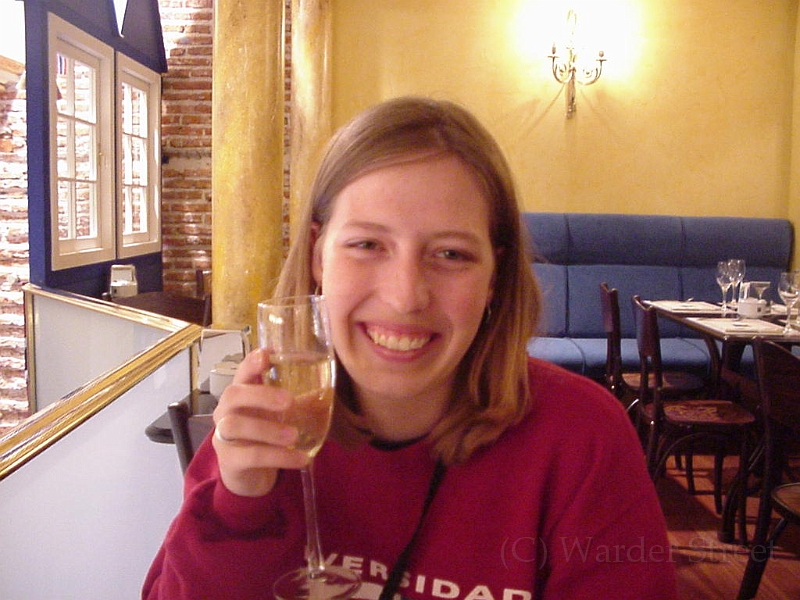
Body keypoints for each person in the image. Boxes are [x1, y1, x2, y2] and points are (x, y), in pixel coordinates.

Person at [143, 97, 677, 599]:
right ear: (317, 256)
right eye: (367, 244)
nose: (405, 297)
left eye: (450, 254)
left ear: (494, 277)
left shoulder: (583, 437)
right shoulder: (271, 417)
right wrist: (239, 508)